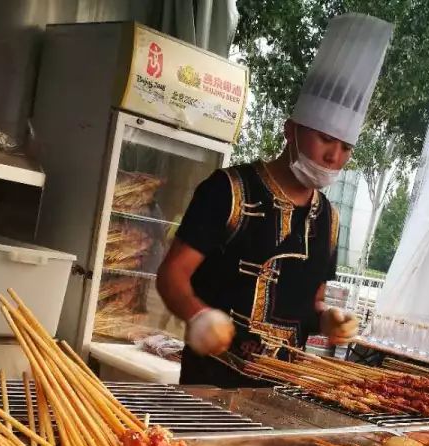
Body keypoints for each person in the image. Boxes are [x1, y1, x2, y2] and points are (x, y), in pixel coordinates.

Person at [156, 14, 392, 387]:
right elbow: (172, 275)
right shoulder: (227, 189)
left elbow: (310, 304)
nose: (334, 156)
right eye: (325, 139)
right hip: (210, 383)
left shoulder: (328, 219)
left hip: (280, 393)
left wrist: (329, 318)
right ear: (291, 130)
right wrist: (198, 315)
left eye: (346, 146)